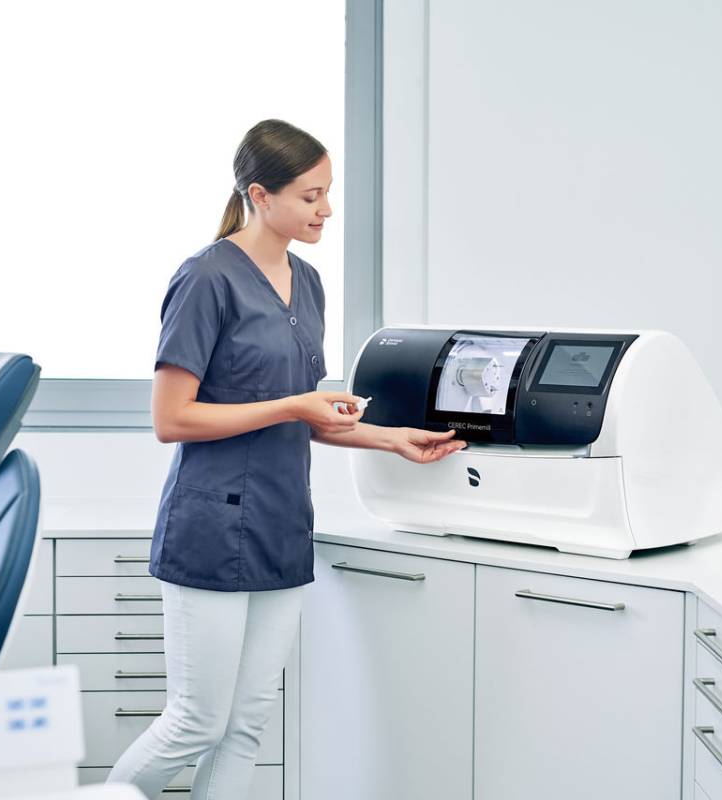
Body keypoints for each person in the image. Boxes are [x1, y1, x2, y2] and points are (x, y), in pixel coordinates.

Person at [107, 119, 465, 799]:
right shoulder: (206, 278)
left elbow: (304, 417)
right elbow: (171, 419)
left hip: (281, 524)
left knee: (245, 725)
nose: (326, 209)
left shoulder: (308, 282)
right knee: (195, 721)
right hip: (212, 527)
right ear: (260, 195)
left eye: (328, 193)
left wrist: (391, 438)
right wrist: (295, 405)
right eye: (310, 195)